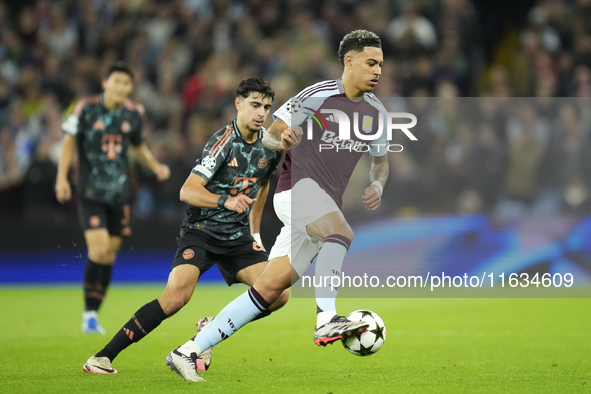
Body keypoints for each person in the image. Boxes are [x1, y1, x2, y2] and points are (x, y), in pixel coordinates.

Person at [167, 30, 390, 382]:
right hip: (296, 190)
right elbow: (271, 134)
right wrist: (282, 138)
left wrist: (377, 182)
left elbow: (381, 161)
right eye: (371, 63)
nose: (378, 70)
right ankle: (326, 318)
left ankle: (190, 349)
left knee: (271, 292)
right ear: (349, 62)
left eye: (381, 64)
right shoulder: (316, 96)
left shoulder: (377, 114)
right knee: (341, 232)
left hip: (323, 204)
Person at [82, 77, 288, 376]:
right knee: (176, 297)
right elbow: (187, 191)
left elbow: (263, 185)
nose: (261, 113)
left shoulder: (270, 146)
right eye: (255, 105)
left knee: (278, 293)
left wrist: (254, 233)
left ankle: (208, 332)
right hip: (202, 231)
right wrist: (224, 201)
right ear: (238, 104)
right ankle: (102, 358)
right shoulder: (223, 142)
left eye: (267, 107)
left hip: (237, 237)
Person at [56, 62, 170, 334]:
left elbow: (138, 146)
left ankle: (93, 313)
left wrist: (155, 166)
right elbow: (69, 140)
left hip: (121, 195)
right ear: (105, 83)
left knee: (109, 256)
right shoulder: (86, 107)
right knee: (99, 250)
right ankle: (89, 315)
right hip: (91, 193)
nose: (121, 87)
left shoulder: (134, 113)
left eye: (126, 83)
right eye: (116, 81)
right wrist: (61, 177)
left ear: (131, 88)